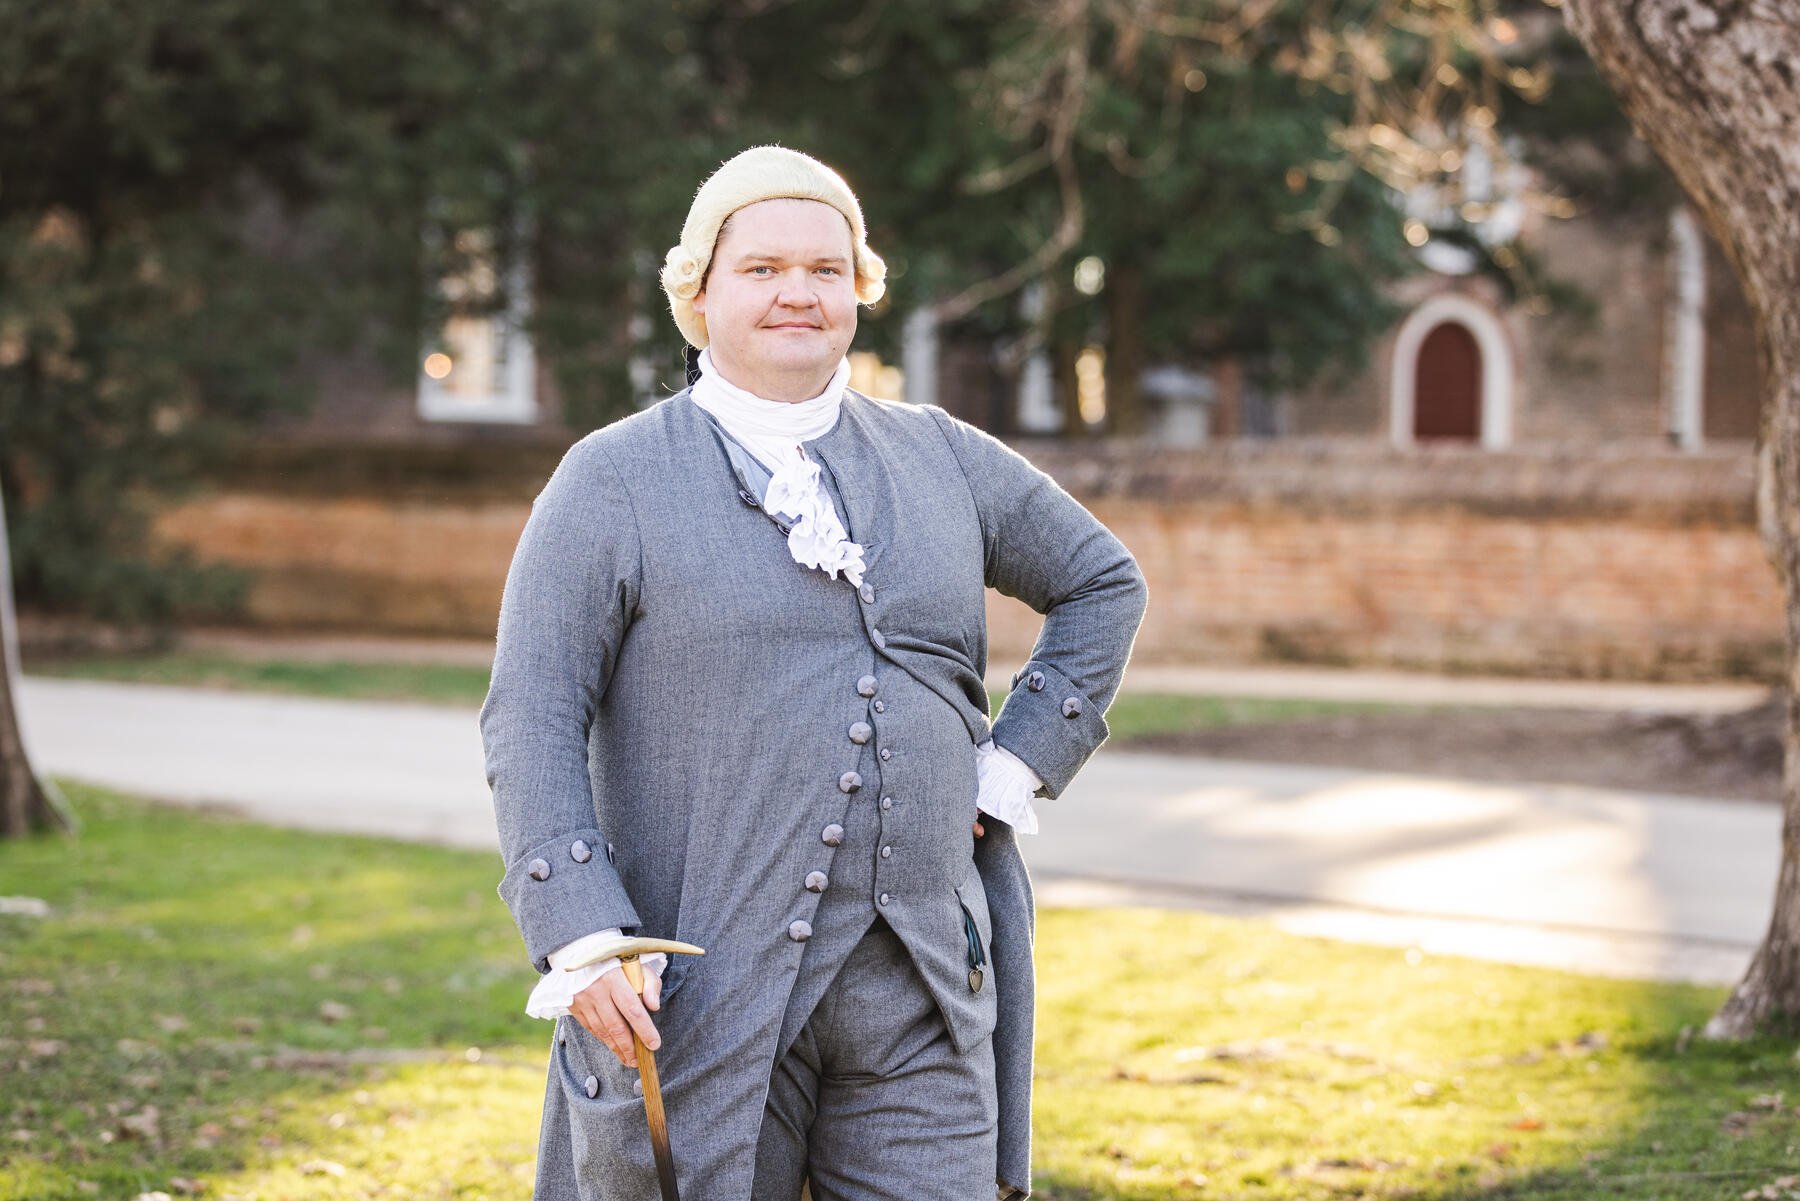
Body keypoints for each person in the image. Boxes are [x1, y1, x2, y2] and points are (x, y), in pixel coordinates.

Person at [480, 144, 1148, 1201]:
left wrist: (1014, 767)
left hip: (927, 982)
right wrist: (582, 932)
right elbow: (531, 716)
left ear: (859, 290)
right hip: (703, 988)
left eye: (826, 269)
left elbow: (1103, 582)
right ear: (698, 293)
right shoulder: (608, 480)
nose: (799, 291)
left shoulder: (944, 454)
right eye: (762, 269)